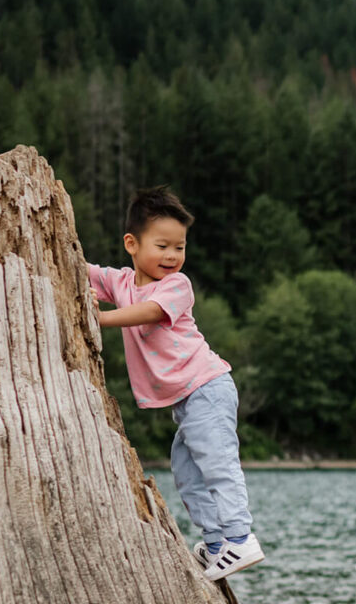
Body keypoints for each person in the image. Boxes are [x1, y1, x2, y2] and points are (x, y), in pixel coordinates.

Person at [87, 187, 262, 580]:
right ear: (131, 244)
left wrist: (100, 319)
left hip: (208, 387)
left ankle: (240, 537)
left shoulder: (177, 286)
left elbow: (147, 313)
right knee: (186, 471)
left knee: (217, 464)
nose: (172, 256)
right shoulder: (122, 283)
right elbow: (83, 270)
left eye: (179, 247)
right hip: (188, 399)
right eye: (162, 245)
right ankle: (216, 544)